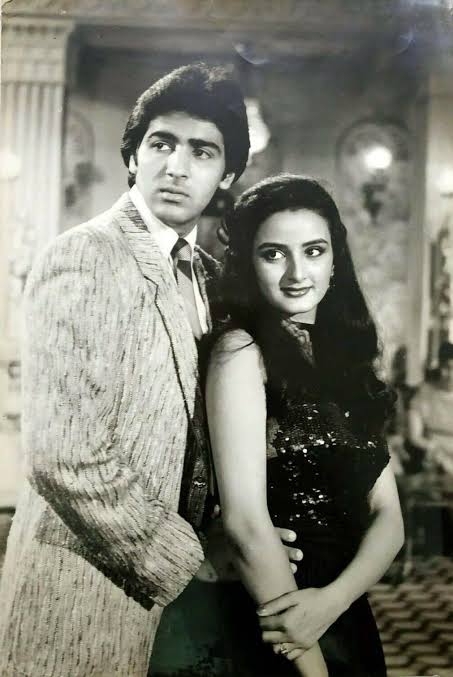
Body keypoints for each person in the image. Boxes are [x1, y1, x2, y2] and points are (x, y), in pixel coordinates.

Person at [0, 63, 301, 677]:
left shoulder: (213, 279)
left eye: (202, 152)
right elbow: (63, 454)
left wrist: (246, 532)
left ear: (227, 174)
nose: (177, 167)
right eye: (161, 144)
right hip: (82, 595)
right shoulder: (84, 256)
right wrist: (186, 558)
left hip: (183, 613)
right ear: (133, 156)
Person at [203, 175, 404, 676]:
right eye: (274, 254)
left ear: (335, 260)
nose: (297, 272)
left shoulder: (345, 362)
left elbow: (389, 517)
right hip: (277, 620)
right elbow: (246, 524)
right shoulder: (240, 352)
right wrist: (310, 660)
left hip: (341, 613)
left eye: (313, 251)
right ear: (248, 264)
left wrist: (333, 602)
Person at [408, 341, 453, 475]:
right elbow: (415, 436)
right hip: (434, 458)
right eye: (447, 367)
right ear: (439, 366)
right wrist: (435, 450)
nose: (451, 375)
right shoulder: (424, 393)